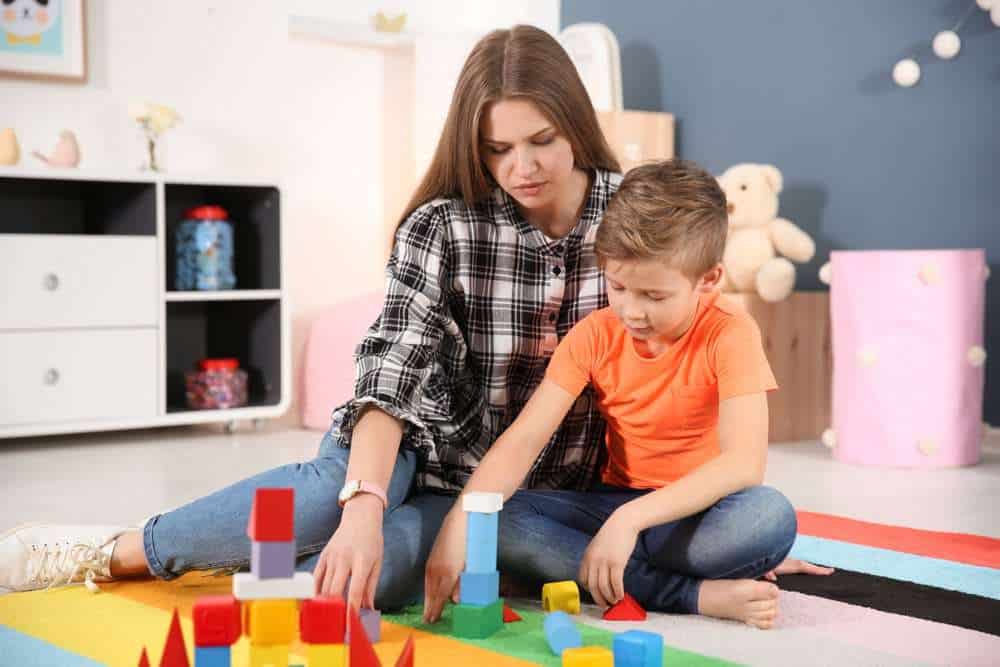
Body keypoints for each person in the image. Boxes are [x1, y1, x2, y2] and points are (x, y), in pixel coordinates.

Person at [0, 26, 824, 609]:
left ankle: (325, 555)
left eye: (540, 140)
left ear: (576, 124)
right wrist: (365, 503)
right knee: (333, 501)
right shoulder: (443, 224)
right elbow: (389, 374)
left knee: (381, 576)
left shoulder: (631, 223)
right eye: (499, 149)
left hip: (528, 497)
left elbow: (690, 293)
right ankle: (119, 548)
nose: (522, 168)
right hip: (417, 445)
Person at [422, 160, 831, 630]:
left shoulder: (730, 332)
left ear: (709, 280)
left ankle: (601, 570)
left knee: (768, 519)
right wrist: (459, 525)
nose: (632, 312)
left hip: (696, 514)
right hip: (610, 504)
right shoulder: (594, 335)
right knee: (499, 519)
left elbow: (743, 465)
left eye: (654, 297)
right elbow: (523, 440)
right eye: (617, 287)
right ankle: (693, 594)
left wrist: (629, 523)